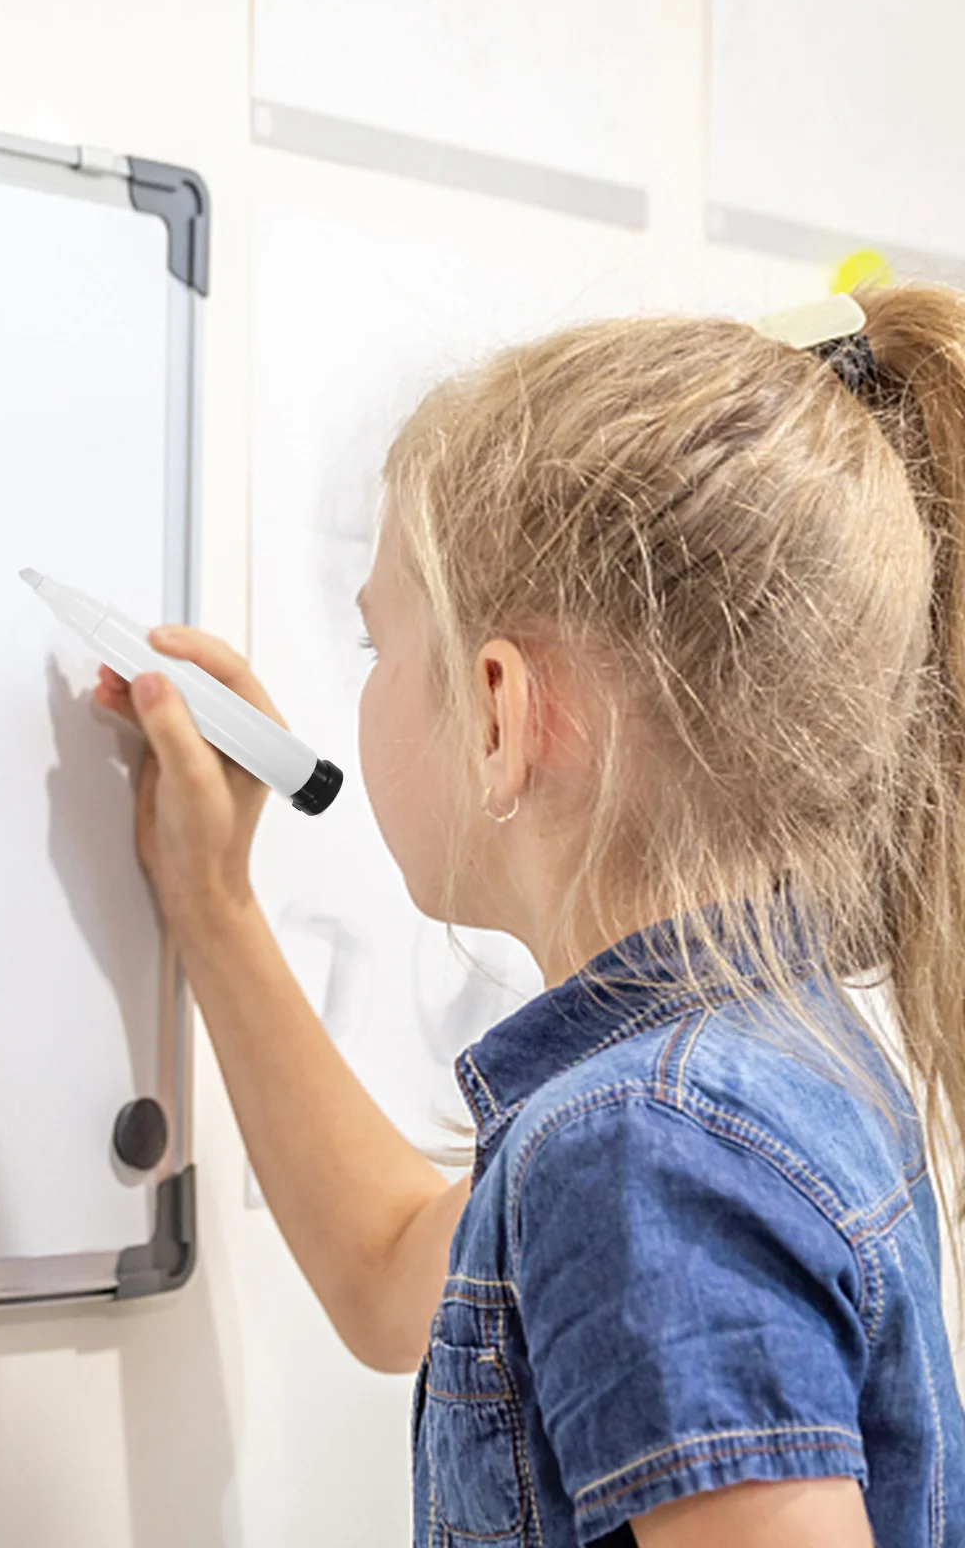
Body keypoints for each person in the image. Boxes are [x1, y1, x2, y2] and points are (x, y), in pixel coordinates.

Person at [94, 285, 965, 1546]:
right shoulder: (754, 1065)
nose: (367, 694)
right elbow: (393, 1268)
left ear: (499, 712)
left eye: (378, 646)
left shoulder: (644, 1144)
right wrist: (212, 901)